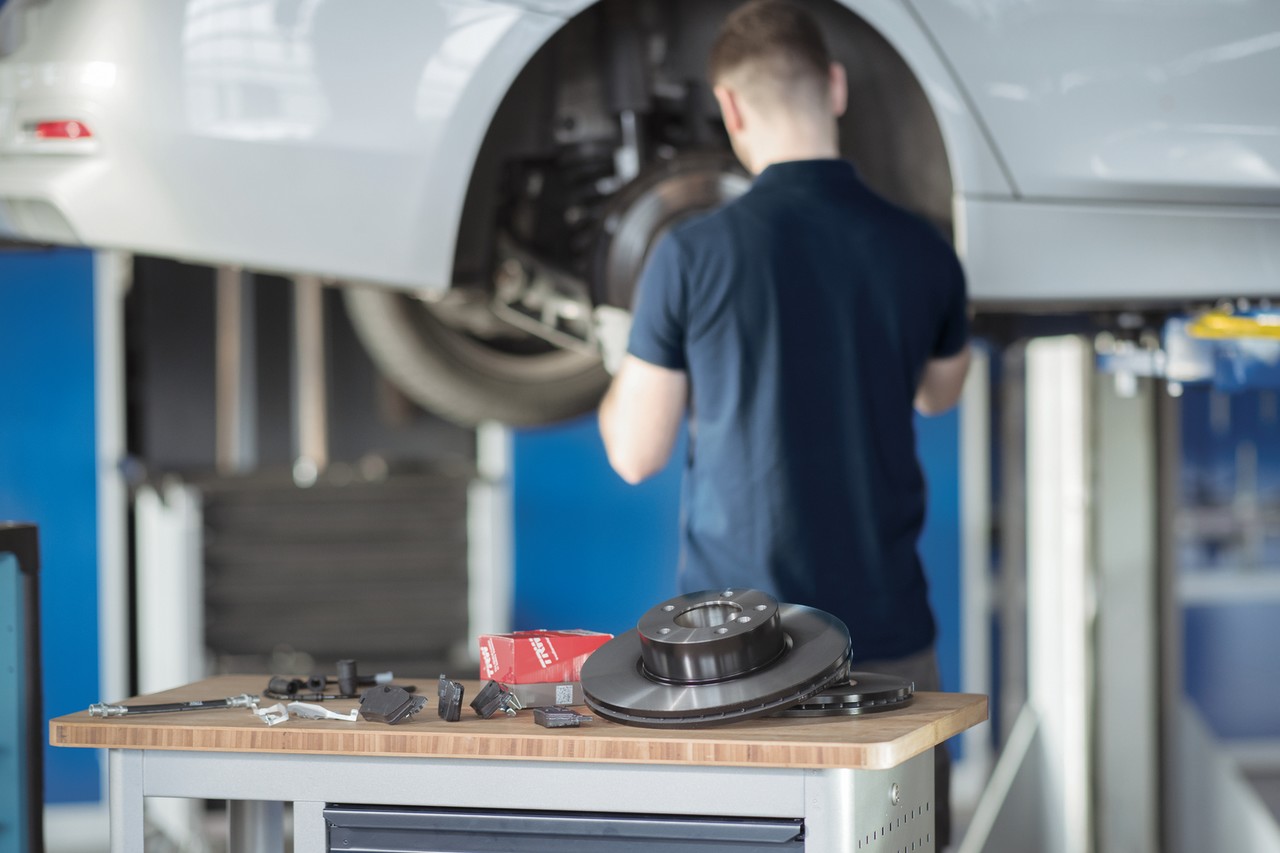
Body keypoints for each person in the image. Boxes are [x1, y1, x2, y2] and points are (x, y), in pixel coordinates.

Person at [597, 0, 970, 845]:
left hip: (736, 659)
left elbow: (635, 451)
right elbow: (939, 393)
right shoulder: (924, 249)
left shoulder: (690, 254)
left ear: (730, 108)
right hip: (888, 647)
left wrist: (624, 357)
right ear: (835, 87)